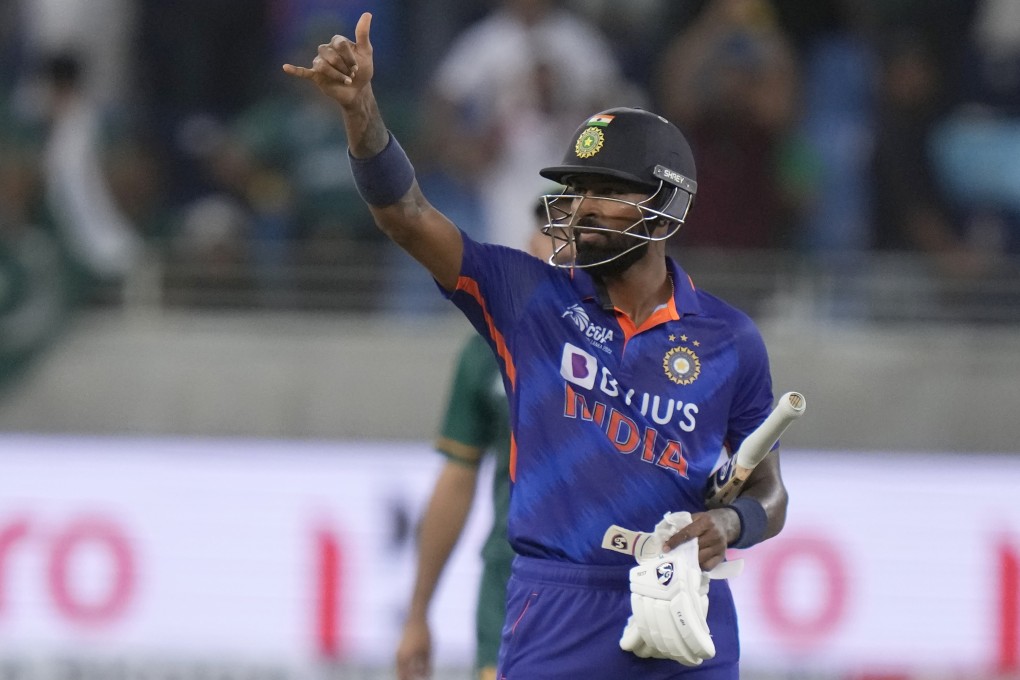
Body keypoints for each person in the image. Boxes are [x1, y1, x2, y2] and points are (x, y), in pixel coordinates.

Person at [284, 13, 789, 678]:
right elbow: (404, 214)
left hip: (684, 608)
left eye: (604, 191)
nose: (578, 209)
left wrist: (728, 527)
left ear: (664, 202)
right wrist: (362, 112)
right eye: (576, 189)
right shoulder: (528, 298)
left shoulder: (730, 341)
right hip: (556, 608)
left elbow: (771, 496)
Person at [395, 199, 560, 680]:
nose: (545, 245)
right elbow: (456, 479)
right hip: (511, 579)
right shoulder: (485, 350)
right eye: (544, 233)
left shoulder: (638, 344)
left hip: (606, 579)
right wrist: (418, 612)